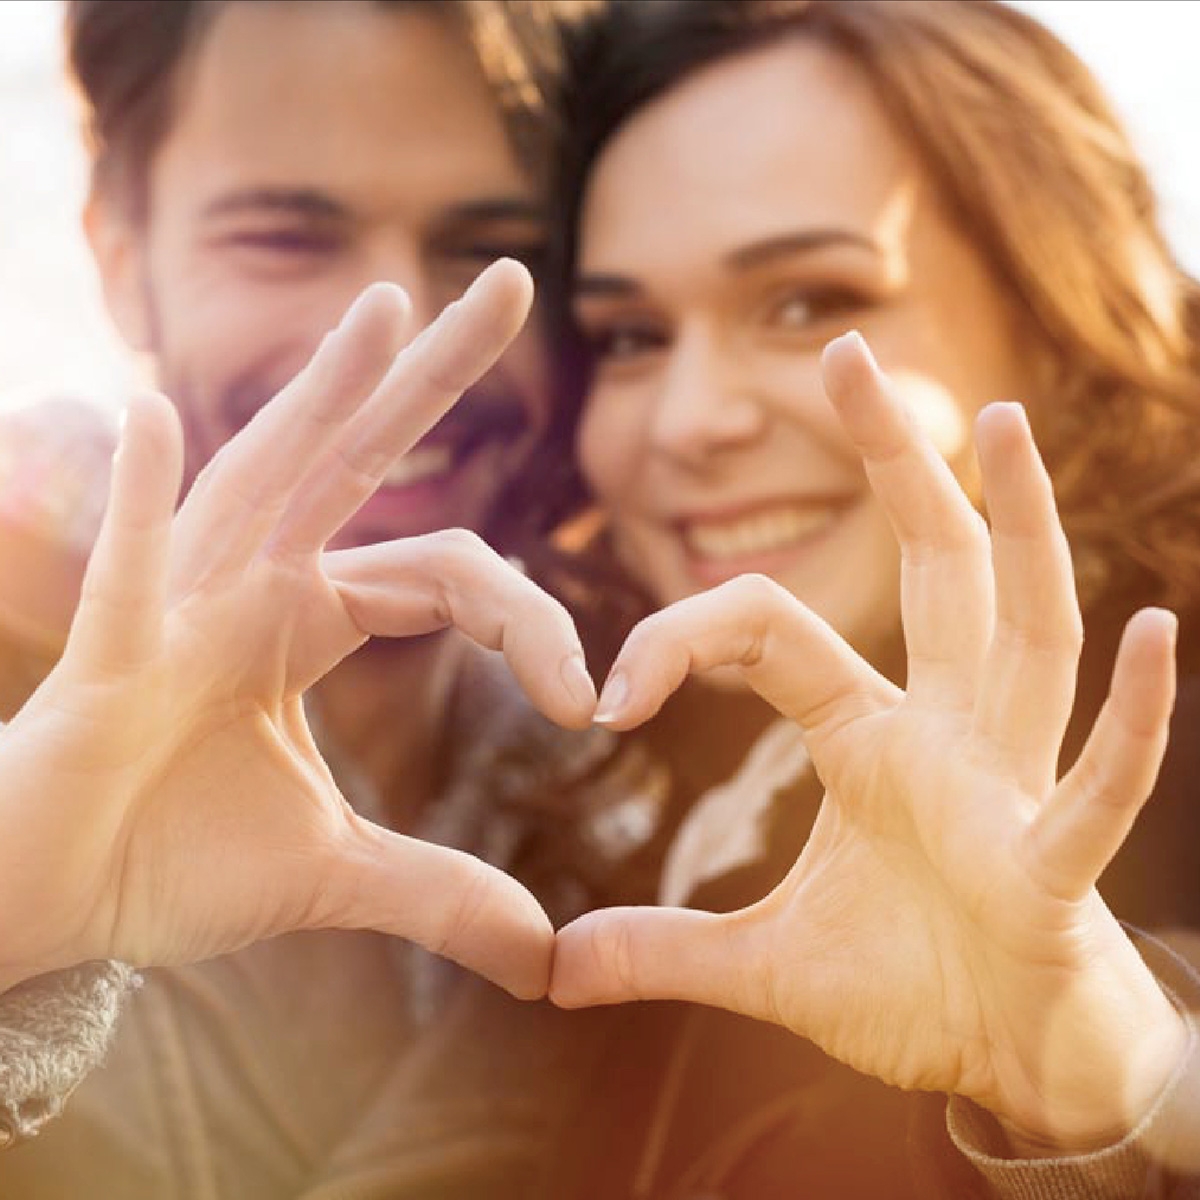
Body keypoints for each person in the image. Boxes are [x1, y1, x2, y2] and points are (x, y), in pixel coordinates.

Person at [3, 1, 1200, 1198]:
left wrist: (1114, 1105)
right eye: (630, 332)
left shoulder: (1093, 818)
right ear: (113, 250)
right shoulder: (653, 788)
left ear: (1057, 306)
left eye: (806, 301)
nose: (689, 419)